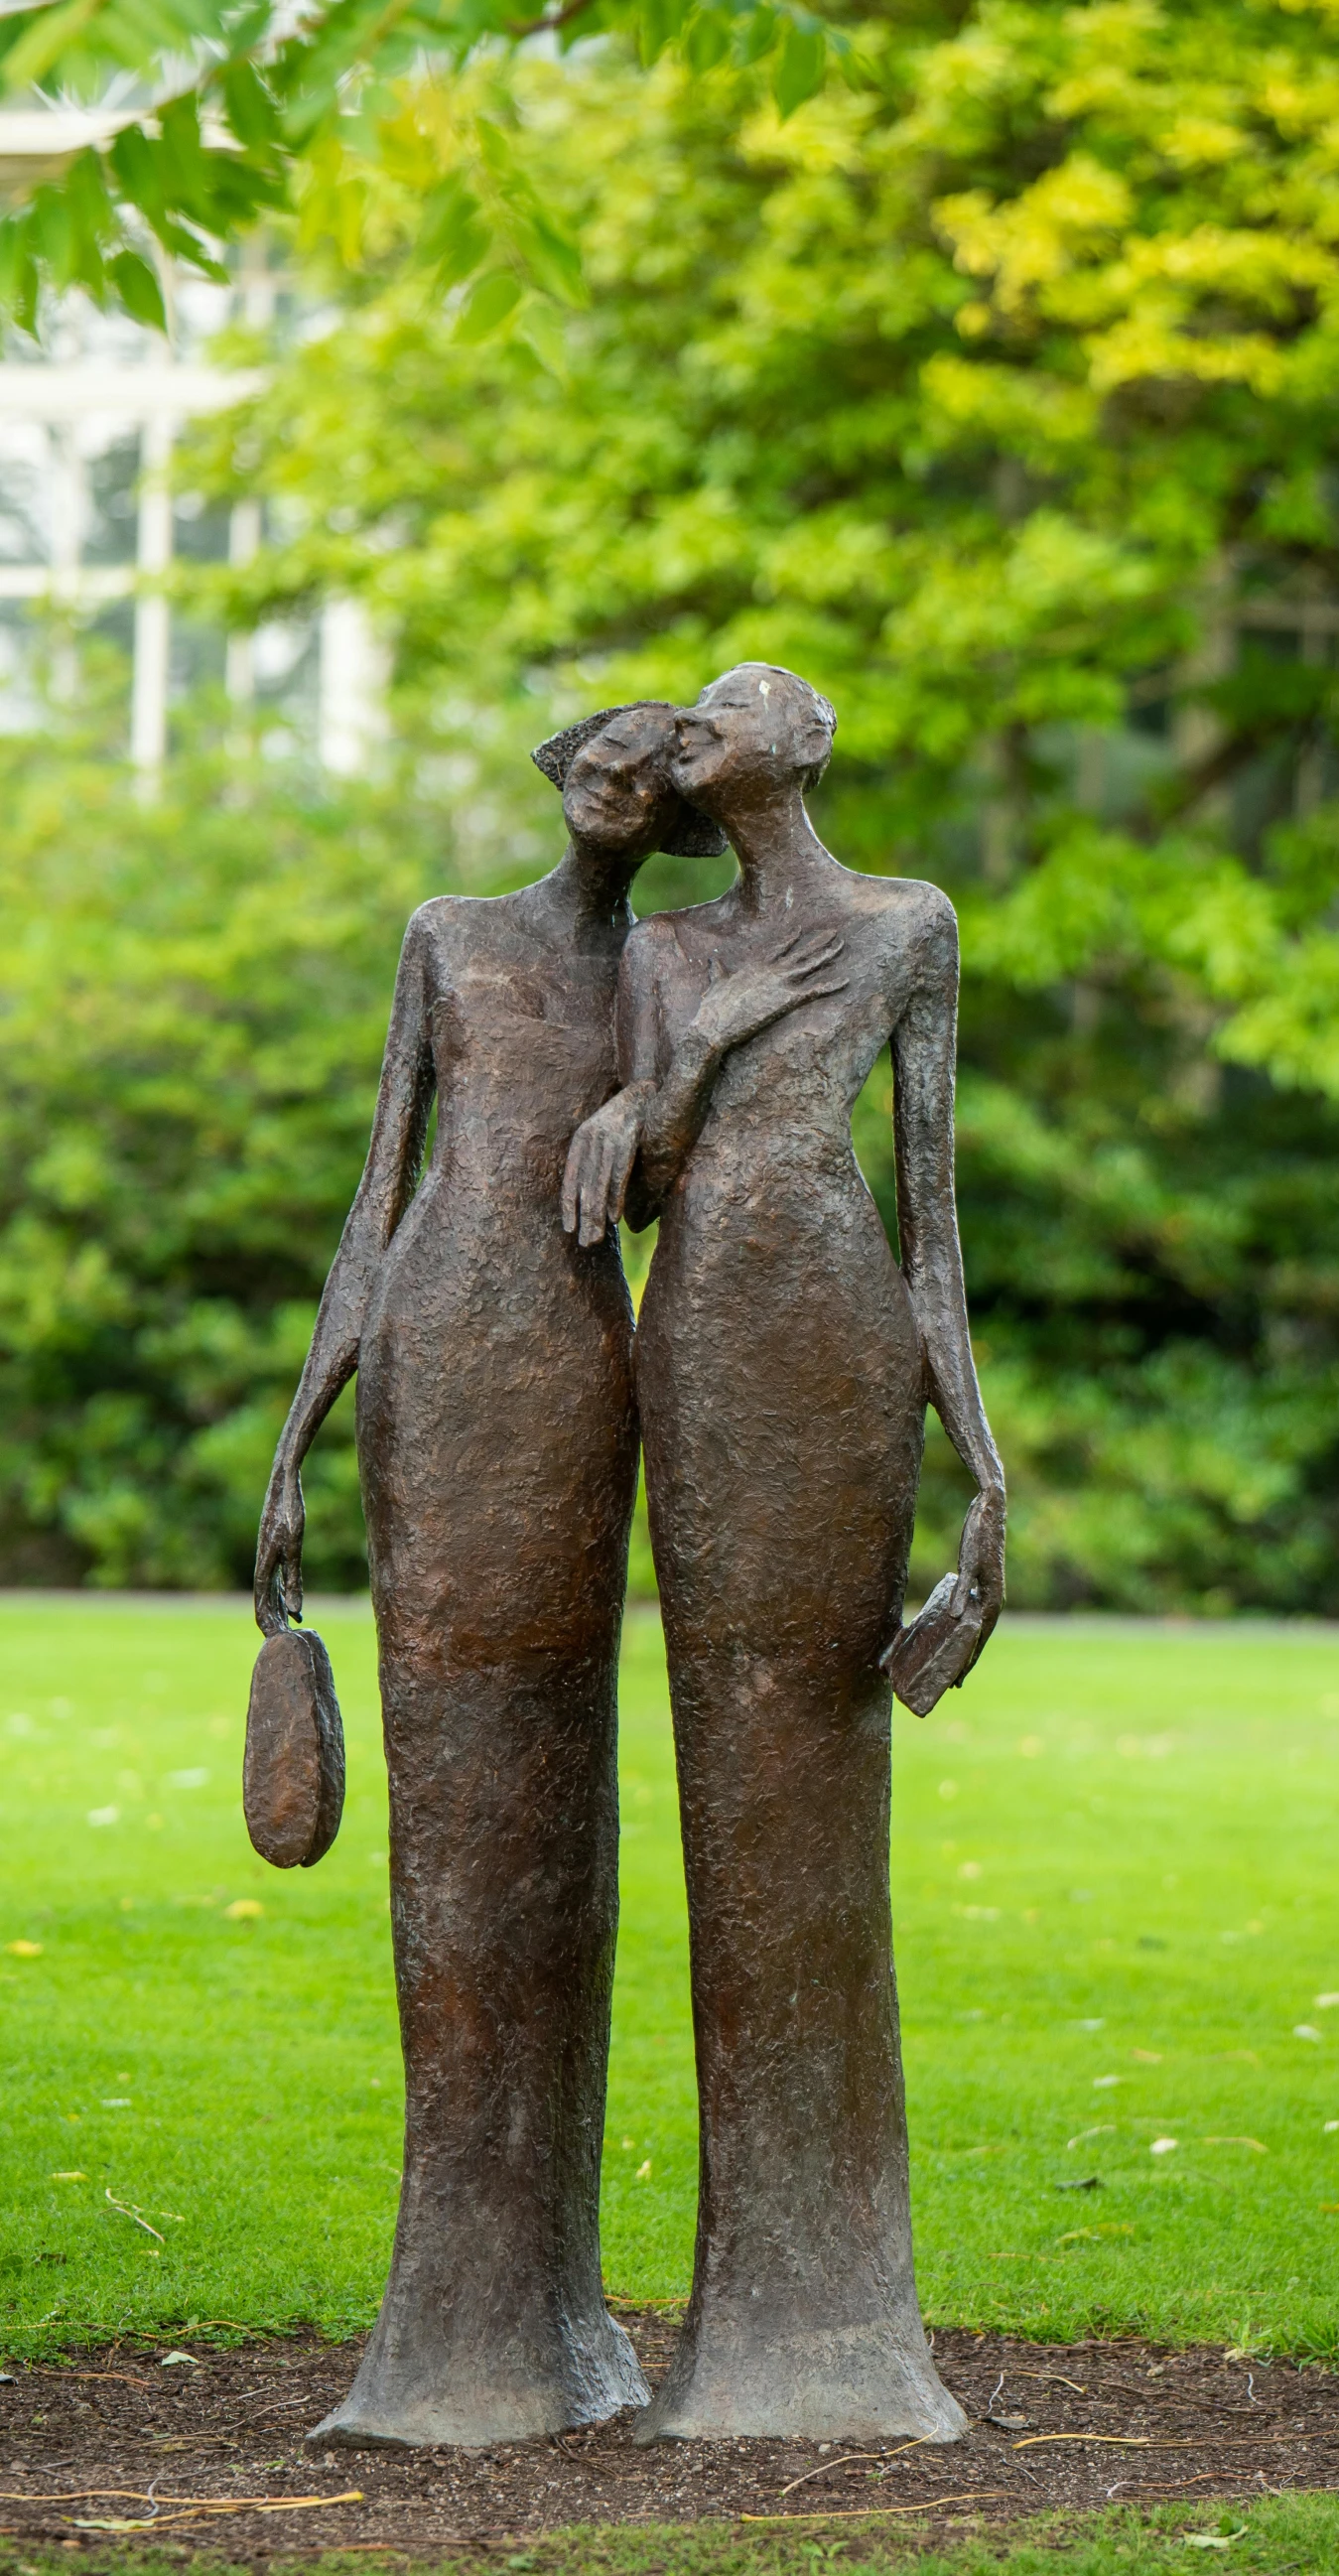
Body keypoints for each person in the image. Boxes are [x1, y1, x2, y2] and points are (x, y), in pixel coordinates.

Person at [253, 702, 725, 2448]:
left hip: (588, 1366)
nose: (618, 789)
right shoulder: (449, 938)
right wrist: (303, 1427)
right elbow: (376, 1190)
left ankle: (557, 2301)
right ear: (560, 776)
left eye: (651, 777)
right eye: (598, 761)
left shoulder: (673, 967)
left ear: (673, 817)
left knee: (565, 1782)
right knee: (456, 1787)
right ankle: (454, 2296)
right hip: (441, 1347)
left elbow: (689, 1176)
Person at [563, 664, 1005, 2442]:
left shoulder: (909, 922)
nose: (688, 742)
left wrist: (978, 1458)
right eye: (679, 732)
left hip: (836, 1332)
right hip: (703, 1327)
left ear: (801, 746)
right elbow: (650, 1172)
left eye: (716, 717)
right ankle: (743, 2313)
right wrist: (718, 1022)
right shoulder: (669, 948)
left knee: (816, 1767)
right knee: (721, 1763)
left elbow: (931, 1204)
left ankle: (838, 2309)